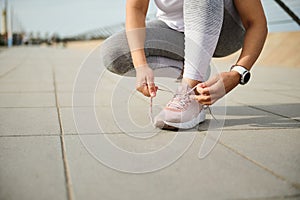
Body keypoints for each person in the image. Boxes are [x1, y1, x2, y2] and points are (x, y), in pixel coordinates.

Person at [101, 0, 268, 129]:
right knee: (115, 53)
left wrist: (238, 73)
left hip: (225, 33)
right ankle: (195, 70)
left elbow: (257, 23)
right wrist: (141, 65)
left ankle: (190, 91)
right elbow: (136, 8)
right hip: (177, 31)